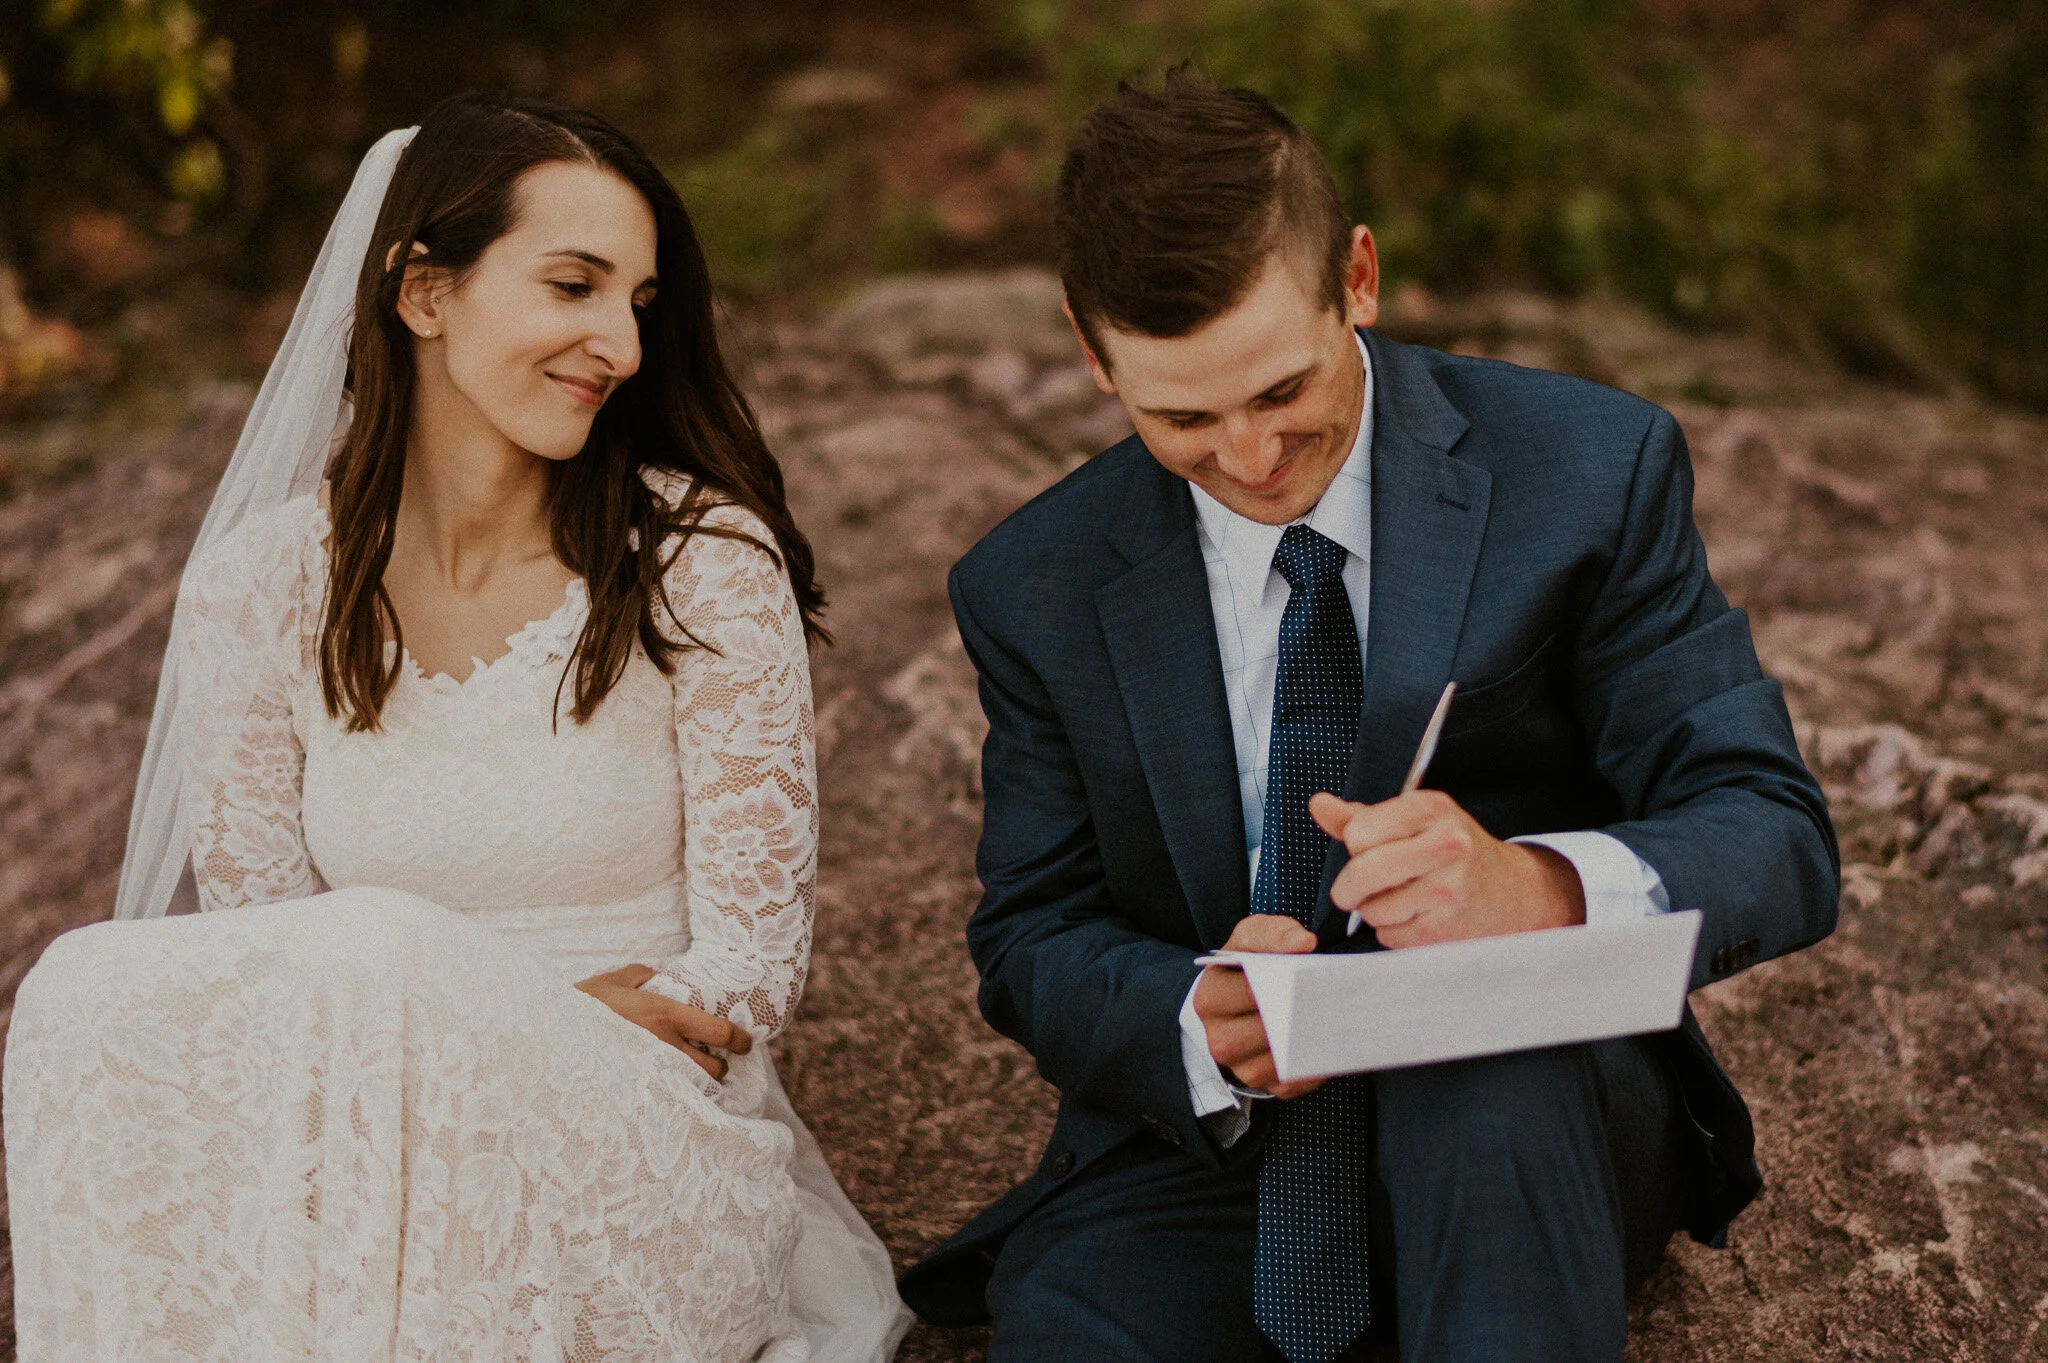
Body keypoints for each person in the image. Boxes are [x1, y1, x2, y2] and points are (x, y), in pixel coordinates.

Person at [897, 67, 1838, 1362]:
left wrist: (1535, 889)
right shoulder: (1029, 585)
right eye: (1181, 416)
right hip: (1222, 1155)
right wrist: (1191, 1015)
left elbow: (1773, 828)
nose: (1247, 457)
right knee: (1074, 1329)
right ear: (1088, 348)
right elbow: (1031, 930)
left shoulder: (1588, 470)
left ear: (1358, 277)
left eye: (1281, 391)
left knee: (1492, 1072)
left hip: (1531, 1117)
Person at [3, 93, 910, 1361]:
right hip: (373, 1136)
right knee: (78, 992)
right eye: (574, 285)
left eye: (638, 302)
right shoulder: (258, 588)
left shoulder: (698, 561)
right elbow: (272, 960)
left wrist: (474, 1023)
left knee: (378, 948)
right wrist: (433, 1037)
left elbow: (750, 968)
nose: (619, 344)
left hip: (644, 1138)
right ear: (423, 292)